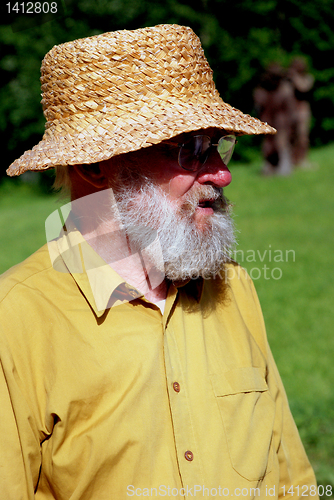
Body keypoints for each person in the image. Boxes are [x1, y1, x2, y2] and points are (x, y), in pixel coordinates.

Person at [1, 25, 318, 499]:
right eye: (190, 150)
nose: (223, 173)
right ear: (94, 166)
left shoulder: (233, 287)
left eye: (218, 144)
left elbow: (292, 482)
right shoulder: (16, 319)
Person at [253, 63, 296, 176]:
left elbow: (289, 109)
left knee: (281, 143)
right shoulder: (263, 90)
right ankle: (269, 165)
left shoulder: (285, 89)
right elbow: (259, 107)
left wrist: (290, 123)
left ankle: (284, 166)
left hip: (282, 122)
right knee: (268, 145)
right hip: (268, 121)